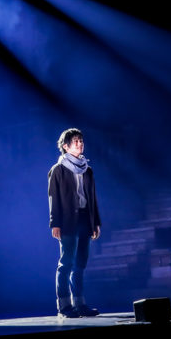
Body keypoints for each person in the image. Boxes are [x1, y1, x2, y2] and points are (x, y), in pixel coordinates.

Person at [48, 128, 102, 318]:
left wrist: (95, 222)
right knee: (66, 263)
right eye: (76, 141)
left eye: (81, 140)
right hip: (67, 221)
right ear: (66, 146)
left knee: (80, 263)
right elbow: (53, 197)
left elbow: (92, 198)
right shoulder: (58, 170)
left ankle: (80, 304)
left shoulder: (87, 170)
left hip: (85, 218)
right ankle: (64, 306)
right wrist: (55, 222)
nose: (80, 144)